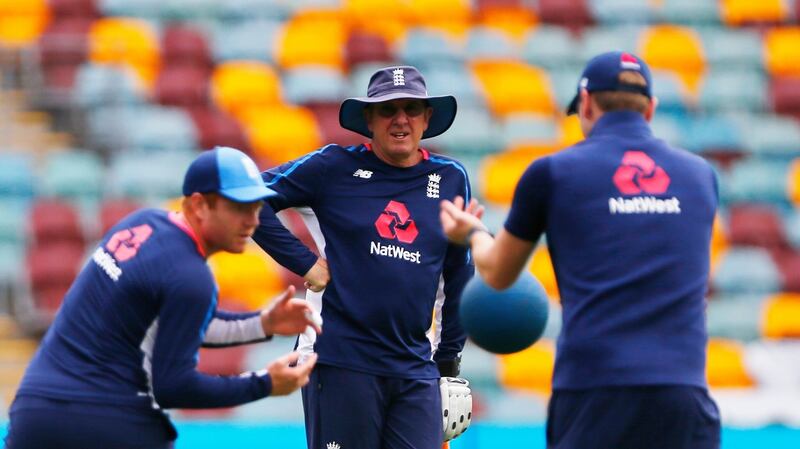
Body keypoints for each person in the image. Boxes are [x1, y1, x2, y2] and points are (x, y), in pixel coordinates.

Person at [440, 51, 721, 449]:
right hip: (683, 392)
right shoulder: (701, 176)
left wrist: (472, 233)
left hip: (594, 390)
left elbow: (498, 273)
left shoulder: (553, 172)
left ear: (586, 103)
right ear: (651, 108)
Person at [4, 146, 321, 449]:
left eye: (256, 207)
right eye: (239, 207)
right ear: (198, 205)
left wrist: (262, 324)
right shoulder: (190, 277)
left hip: (36, 409)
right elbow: (173, 386)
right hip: (111, 418)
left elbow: (170, 320)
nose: (252, 220)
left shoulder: (141, 223)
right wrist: (265, 383)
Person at [252, 65, 475, 449]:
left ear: (427, 118)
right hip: (340, 359)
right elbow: (248, 198)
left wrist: (448, 365)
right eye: (388, 109)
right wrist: (304, 262)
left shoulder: (451, 178)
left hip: (414, 368)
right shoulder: (333, 167)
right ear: (368, 119)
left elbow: (459, 275)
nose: (400, 119)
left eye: (411, 108)